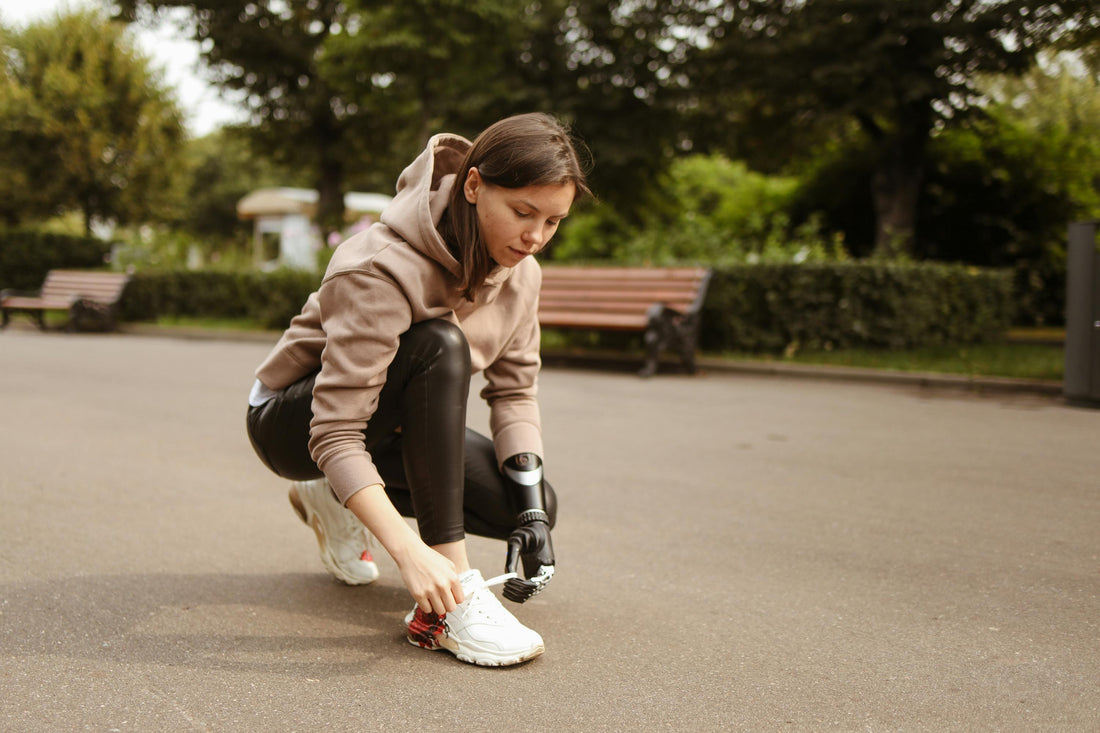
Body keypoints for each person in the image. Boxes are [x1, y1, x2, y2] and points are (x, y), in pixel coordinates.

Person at [245, 112, 590, 667]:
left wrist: (532, 516)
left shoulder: (522, 274)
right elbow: (335, 431)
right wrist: (412, 554)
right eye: (523, 212)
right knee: (439, 344)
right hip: (293, 423)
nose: (535, 237)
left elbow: (514, 392)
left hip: (390, 423)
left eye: (553, 222)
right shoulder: (379, 266)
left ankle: (336, 496)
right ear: (474, 185)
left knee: (528, 501)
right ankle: (448, 604)